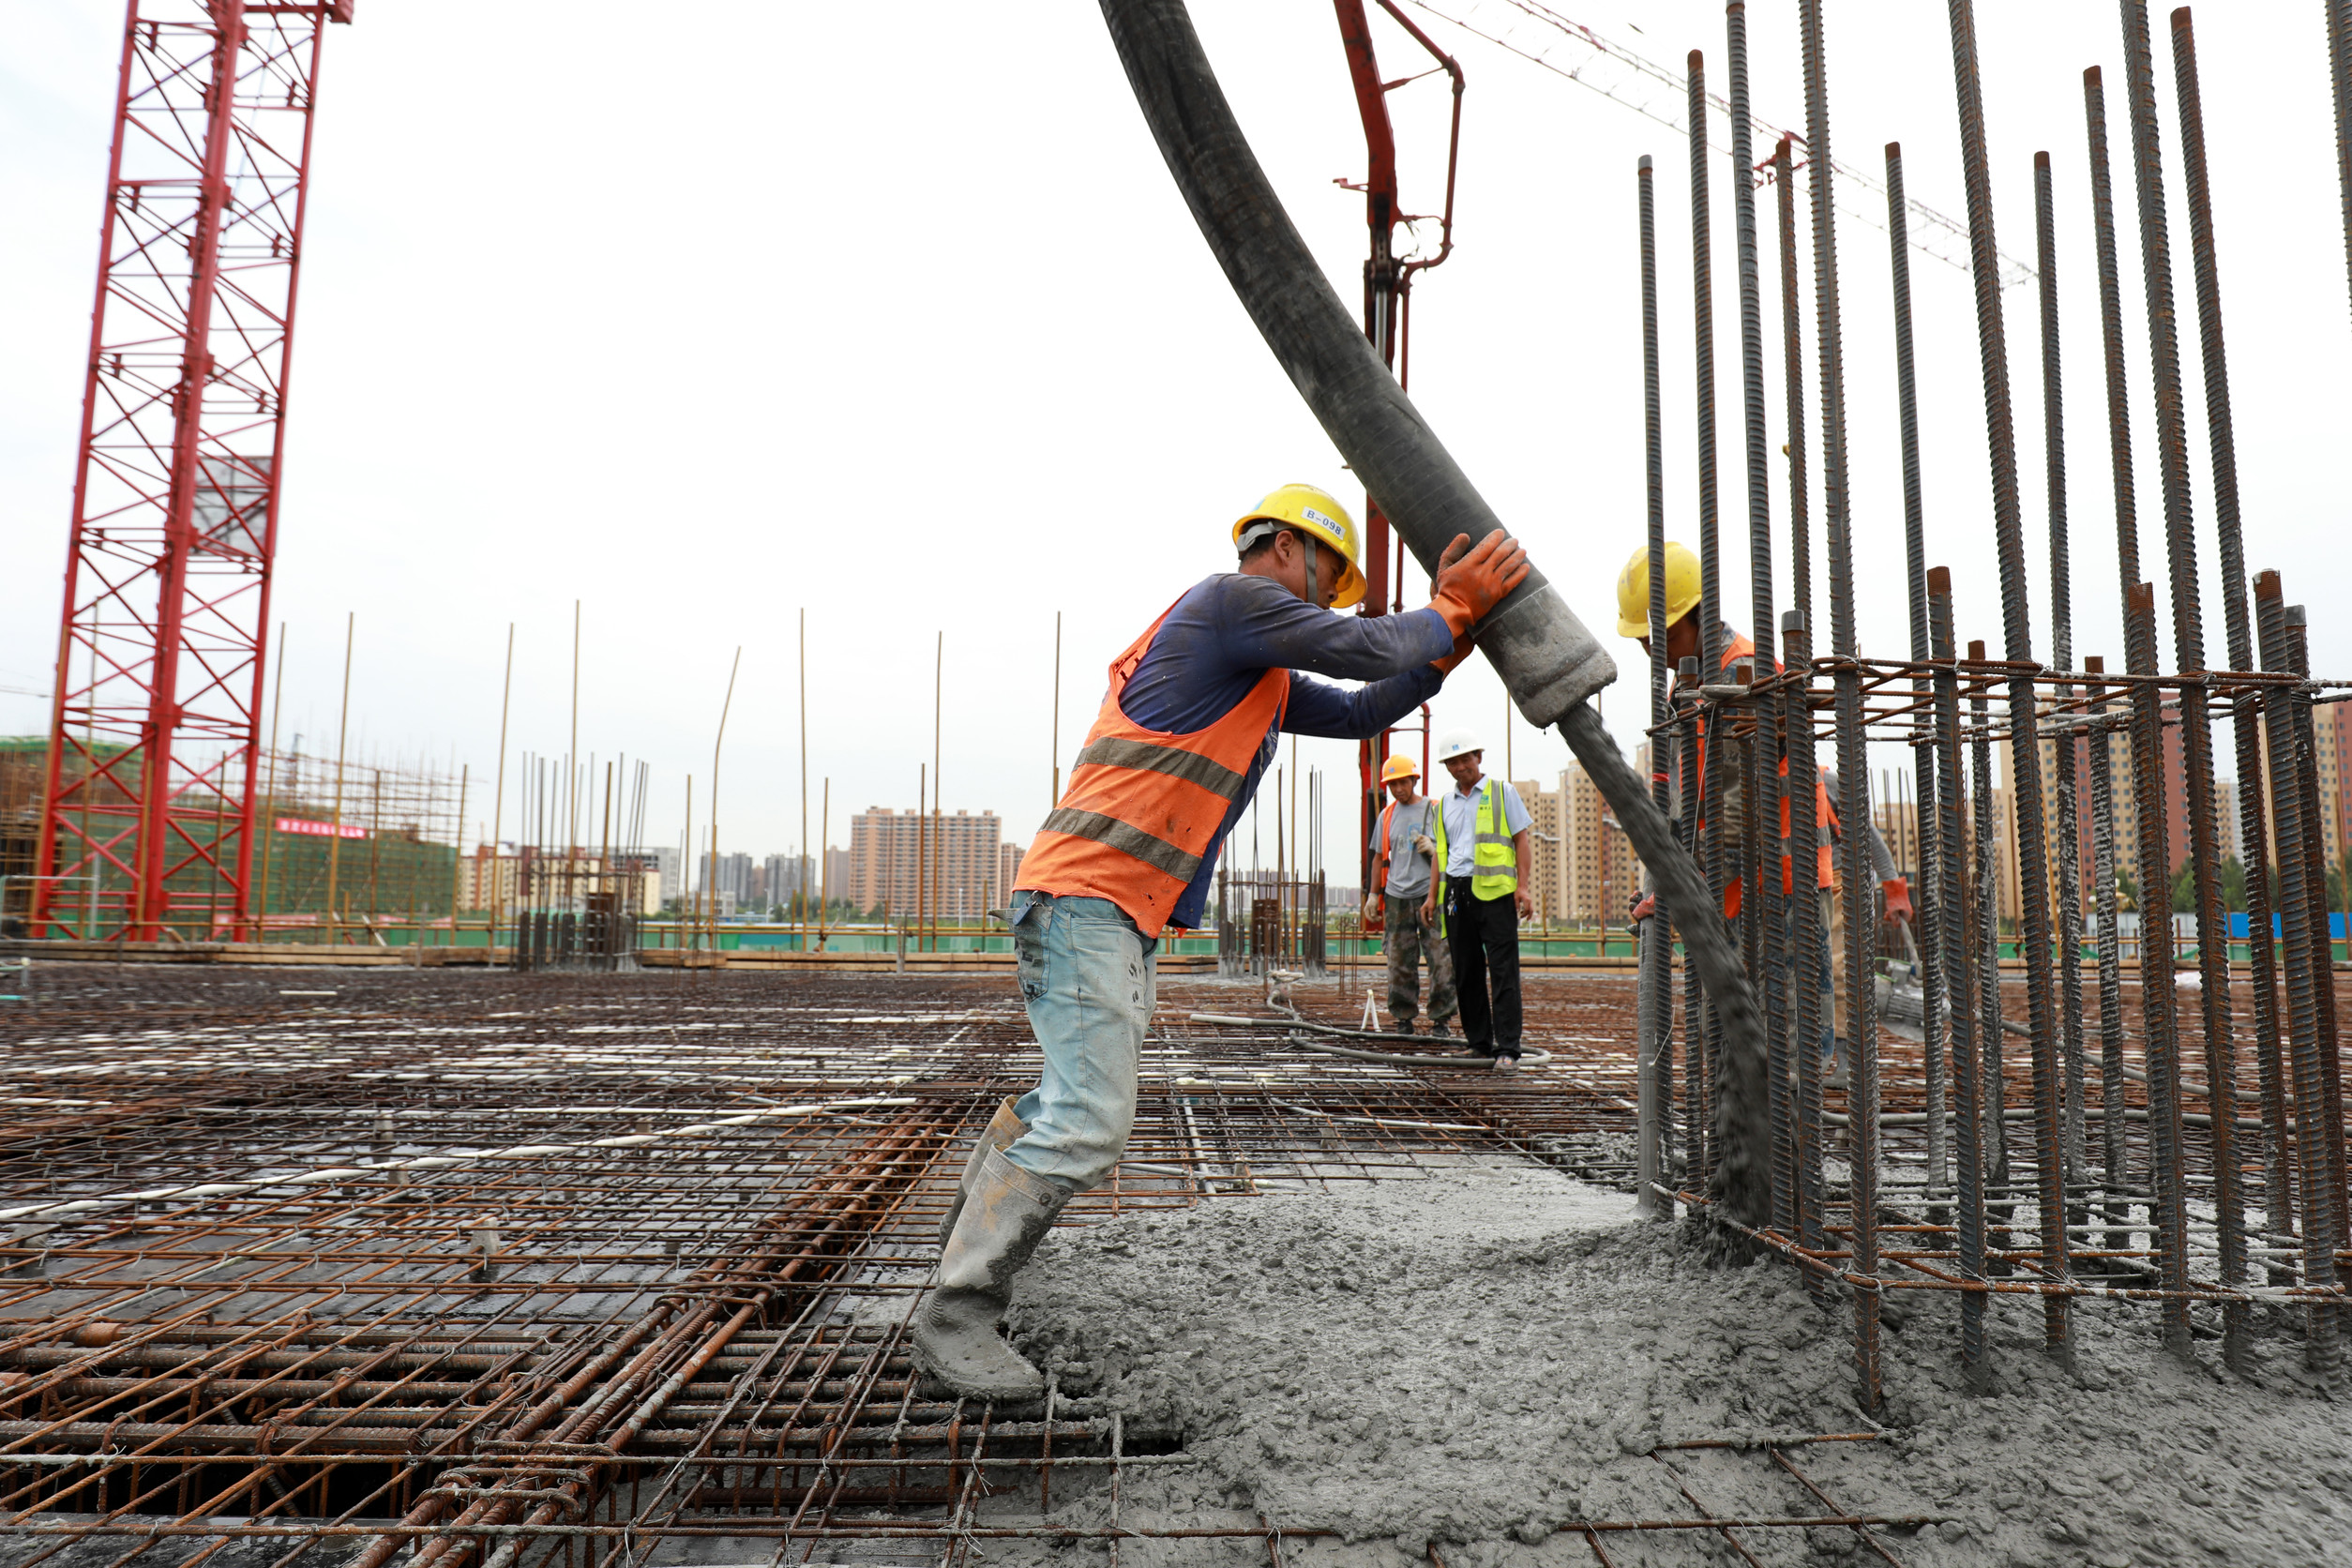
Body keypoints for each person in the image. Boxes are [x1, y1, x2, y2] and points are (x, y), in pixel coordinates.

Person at [912, 484, 1529, 1400]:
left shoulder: (1259, 674)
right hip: (1087, 896)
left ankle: (969, 1233)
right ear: (1280, 546)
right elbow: (1369, 645)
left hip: (1107, 904)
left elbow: (1363, 708)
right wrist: (1446, 611)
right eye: (1324, 574)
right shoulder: (1230, 604)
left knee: (1067, 1097)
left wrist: (1443, 653)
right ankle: (959, 1305)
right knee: (1091, 1116)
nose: (1323, 599)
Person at [1613, 542, 1911, 1080]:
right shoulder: (1691, 685)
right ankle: (1749, 1156)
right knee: (1736, 1048)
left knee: (1784, 1050)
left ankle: (1788, 1160)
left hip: (1779, 886)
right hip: (1733, 888)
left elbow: (1733, 810)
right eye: (1643, 643)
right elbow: (1690, 806)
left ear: (1696, 616)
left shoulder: (1741, 674)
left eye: (1659, 638)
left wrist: (1681, 888)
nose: (1651, 654)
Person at [1421, 731, 1534, 1067]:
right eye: (1452, 762)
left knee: (1503, 971)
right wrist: (1432, 896)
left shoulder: (1503, 792)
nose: (1460, 767)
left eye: (1465, 759)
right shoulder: (1443, 806)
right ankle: (1479, 1042)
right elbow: (1441, 854)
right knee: (1466, 971)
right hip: (1456, 893)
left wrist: (1523, 887)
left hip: (1496, 892)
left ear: (1478, 758)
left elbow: (1521, 840)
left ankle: (1507, 1048)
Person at [1370, 753, 1455, 1036]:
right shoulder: (1387, 815)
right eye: (1392, 785)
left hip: (1431, 895)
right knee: (1398, 961)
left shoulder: (1435, 809)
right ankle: (1403, 1017)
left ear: (1413, 780)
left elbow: (1456, 850)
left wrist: (1434, 849)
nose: (1397, 790)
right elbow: (1378, 856)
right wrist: (1373, 895)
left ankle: (1441, 1019)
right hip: (1397, 896)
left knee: (1441, 959)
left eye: (1402, 783)